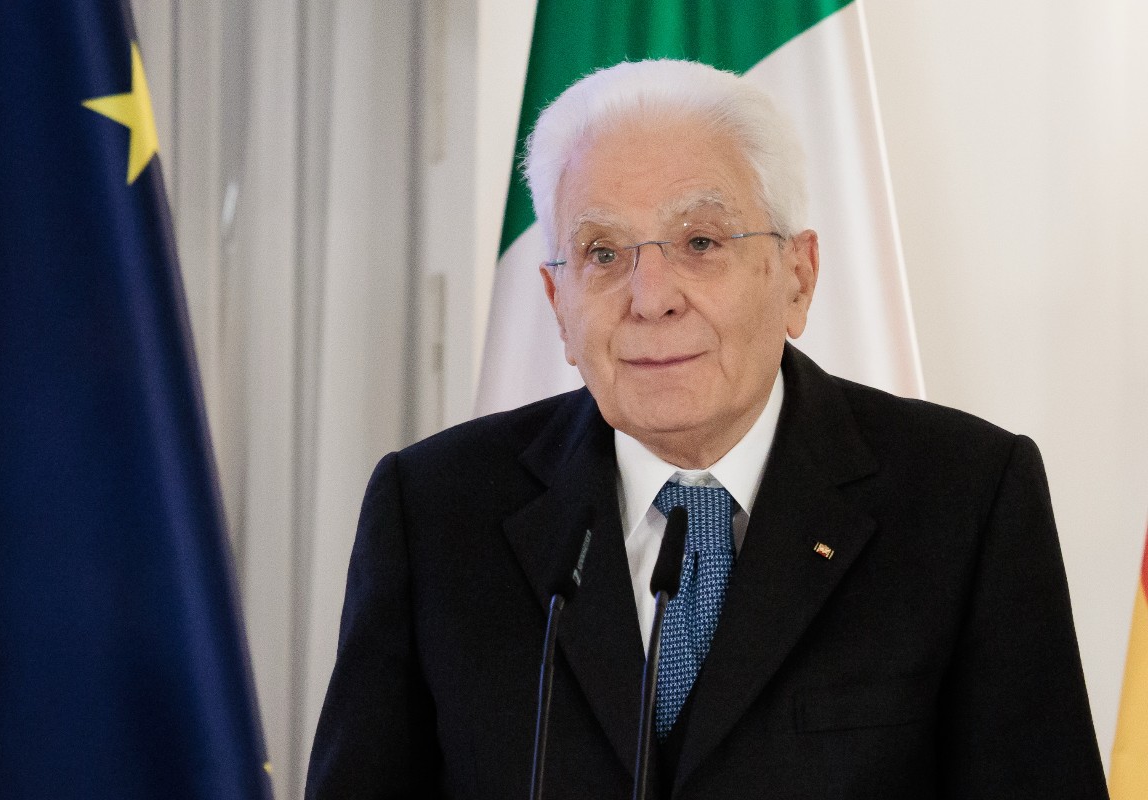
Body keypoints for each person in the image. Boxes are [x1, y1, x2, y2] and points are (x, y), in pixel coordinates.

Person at [306, 59, 1107, 799]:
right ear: (558, 306)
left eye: (699, 242)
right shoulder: (437, 512)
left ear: (797, 277)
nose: (650, 297)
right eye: (604, 252)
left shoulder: (965, 499)